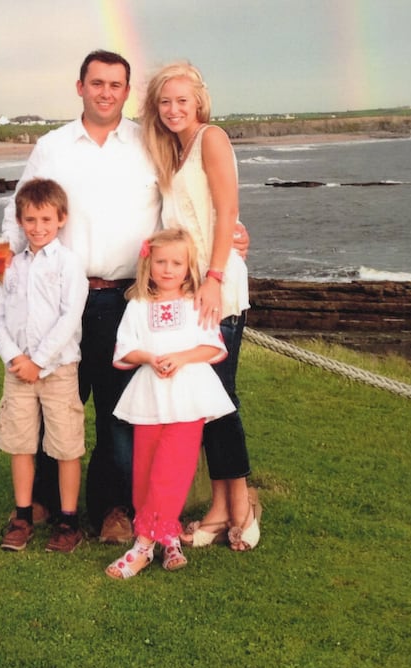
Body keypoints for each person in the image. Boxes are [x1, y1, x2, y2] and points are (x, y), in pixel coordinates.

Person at [0, 50, 248, 542]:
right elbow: (20, 209)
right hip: (60, 293)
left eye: (116, 85)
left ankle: (114, 511)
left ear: (127, 93)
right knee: (53, 396)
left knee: (117, 411)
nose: (106, 92)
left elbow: (186, 205)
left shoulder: (147, 144)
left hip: (123, 296)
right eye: (97, 82)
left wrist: (230, 234)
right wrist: (3, 262)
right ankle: (40, 502)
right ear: (79, 86)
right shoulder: (53, 146)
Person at [140, 61, 261, 552]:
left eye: (181, 101)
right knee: (207, 404)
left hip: (218, 288)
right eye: (165, 101)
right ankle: (222, 505)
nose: (173, 109)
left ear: (199, 103)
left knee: (221, 400)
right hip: (190, 291)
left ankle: (242, 504)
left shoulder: (211, 138)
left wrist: (213, 277)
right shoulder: (172, 148)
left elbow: (227, 209)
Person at [105, 229, 235, 579]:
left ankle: (142, 546)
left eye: (176, 263)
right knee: (147, 470)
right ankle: (169, 535)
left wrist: (180, 357)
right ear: (148, 264)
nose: (168, 269)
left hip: (189, 398)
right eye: (160, 262)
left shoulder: (197, 302)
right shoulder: (137, 306)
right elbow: (125, 349)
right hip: (150, 396)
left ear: (188, 266)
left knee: (172, 470)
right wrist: (149, 357)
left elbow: (212, 346)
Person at [0, 178, 89, 553]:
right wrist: (15, 357)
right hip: (18, 371)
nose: (38, 227)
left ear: (61, 219)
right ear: (20, 221)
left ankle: (68, 521)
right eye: (30, 220)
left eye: (46, 219)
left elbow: (69, 318)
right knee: (21, 444)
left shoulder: (68, 264)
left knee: (66, 446)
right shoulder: (12, 266)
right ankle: (22, 515)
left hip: (58, 369)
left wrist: (39, 361)